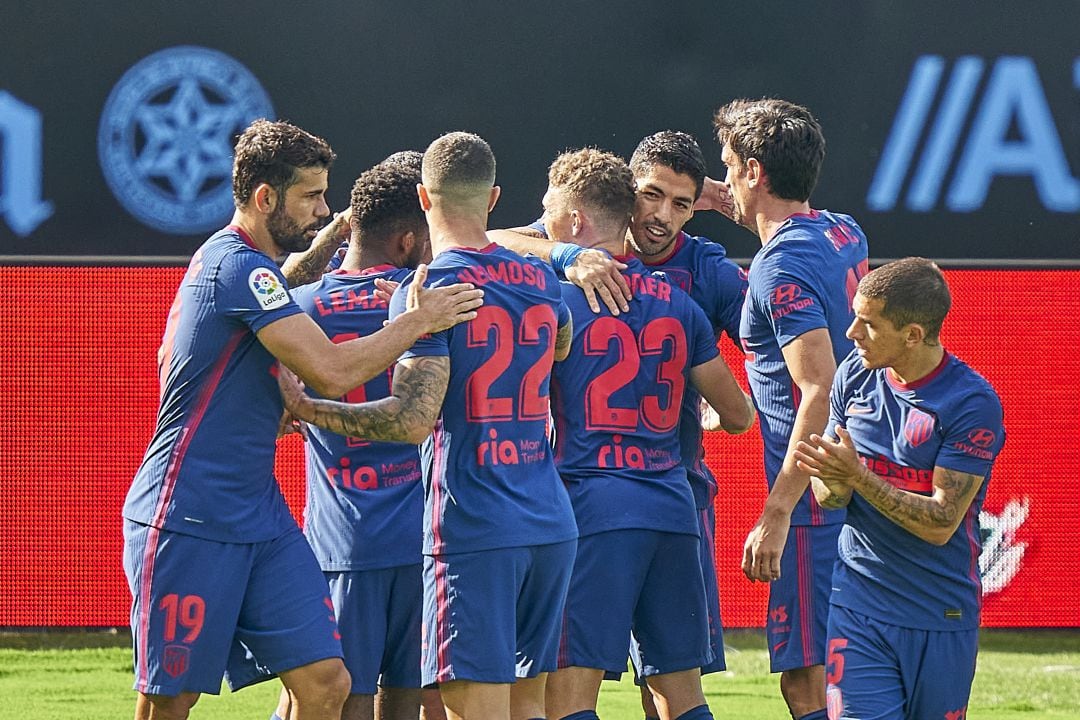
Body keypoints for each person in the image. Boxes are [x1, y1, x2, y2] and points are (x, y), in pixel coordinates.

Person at [121, 119, 483, 720]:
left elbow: (245, 313)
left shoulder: (228, 262)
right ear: (266, 198)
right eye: (312, 196)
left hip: (259, 515)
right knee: (170, 701)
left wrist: (327, 237)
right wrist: (420, 320)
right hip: (188, 513)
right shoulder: (241, 269)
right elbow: (333, 371)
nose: (325, 209)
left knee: (325, 682)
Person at [277, 131, 578, 720]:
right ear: (493, 200)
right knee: (530, 709)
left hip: (475, 526)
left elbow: (412, 421)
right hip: (549, 520)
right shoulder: (542, 281)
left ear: (423, 197)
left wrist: (312, 410)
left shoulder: (428, 291)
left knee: (474, 710)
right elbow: (561, 345)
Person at [538, 147, 754, 720]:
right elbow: (739, 416)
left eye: (681, 203)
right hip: (675, 507)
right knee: (682, 696)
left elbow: (470, 244)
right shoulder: (683, 303)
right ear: (627, 200)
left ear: (576, 219)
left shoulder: (555, 297)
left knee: (569, 695)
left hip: (592, 506)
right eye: (653, 196)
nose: (664, 213)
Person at [708, 98, 869, 720]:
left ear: (754, 170)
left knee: (809, 681)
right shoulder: (842, 230)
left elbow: (819, 389)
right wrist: (727, 198)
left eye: (731, 167)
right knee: (856, 668)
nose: (724, 181)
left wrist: (776, 513)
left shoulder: (779, 266)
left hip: (809, 502)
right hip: (852, 478)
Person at [792, 258, 1005, 720]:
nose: (851, 333)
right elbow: (833, 494)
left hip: (939, 614)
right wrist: (829, 477)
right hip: (857, 603)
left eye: (868, 324)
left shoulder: (971, 403)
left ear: (912, 334)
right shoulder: (855, 375)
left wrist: (856, 477)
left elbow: (941, 523)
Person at [272, 160, 434, 720]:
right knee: (413, 703)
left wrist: (324, 240)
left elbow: (264, 287)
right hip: (426, 540)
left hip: (344, 544)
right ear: (409, 239)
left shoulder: (301, 307)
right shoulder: (430, 307)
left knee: (341, 702)